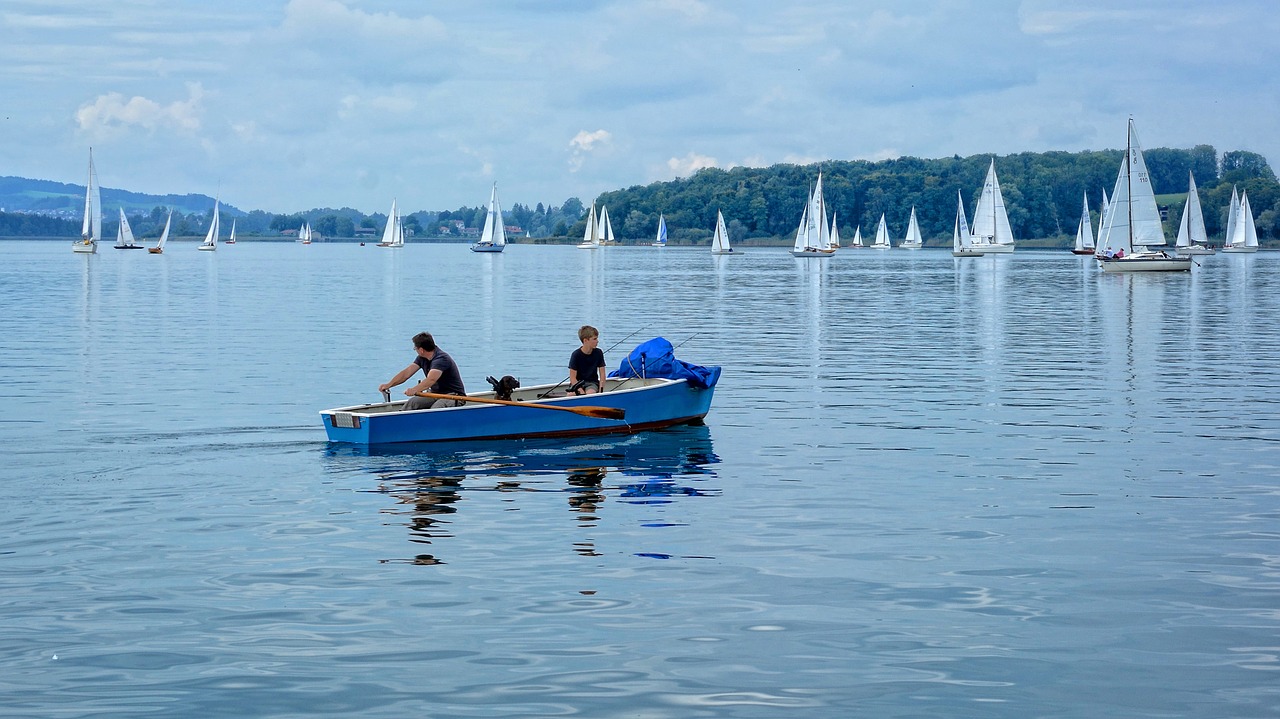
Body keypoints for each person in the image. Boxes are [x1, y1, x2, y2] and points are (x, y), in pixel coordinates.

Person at [379, 332, 467, 410]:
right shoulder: (422, 358)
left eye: (415, 348)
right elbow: (406, 373)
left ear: (421, 350)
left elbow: (431, 380)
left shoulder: (441, 359)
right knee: (412, 403)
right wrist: (389, 384)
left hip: (454, 396)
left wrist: (414, 389)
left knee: (436, 409)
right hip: (435, 394)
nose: (415, 350)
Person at [567, 325, 606, 395]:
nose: (597, 341)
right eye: (594, 339)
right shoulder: (576, 355)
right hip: (577, 383)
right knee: (570, 395)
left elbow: (602, 374)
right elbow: (573, 378)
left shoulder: (598, 352)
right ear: (585, 340)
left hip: (592, 383)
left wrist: (601, 390)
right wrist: (580, 391)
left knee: (590, 393)